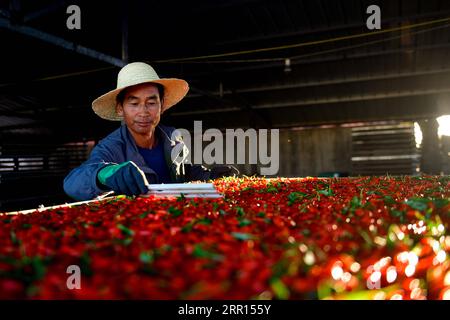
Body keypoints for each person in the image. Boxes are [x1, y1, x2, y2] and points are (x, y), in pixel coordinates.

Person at [63, 62, 238, 201]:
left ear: (162, 105)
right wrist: (104, 174)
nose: (144, 111)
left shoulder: (173, 138)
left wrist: (210, 175)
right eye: (134, 103)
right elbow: (72, 183)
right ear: (120, 109)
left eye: (151, 102)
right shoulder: (111, 147)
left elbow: (184, 172)